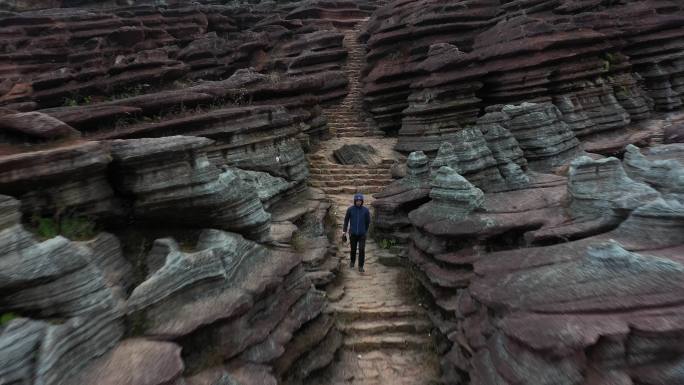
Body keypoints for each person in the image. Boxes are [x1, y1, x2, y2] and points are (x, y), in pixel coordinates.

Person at [343, 193, 371, 272]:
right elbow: (346, 220)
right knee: (353, 249)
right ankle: (352, 261)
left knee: (362, 249)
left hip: (362, 234)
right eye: (357, 201)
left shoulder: (365, 210)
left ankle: (360, 266)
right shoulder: (350, 209)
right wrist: (344, 231)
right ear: (355, 201)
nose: (358, 202)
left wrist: (365, 231)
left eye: (360, 201)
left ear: (362, 201)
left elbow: (368, 221)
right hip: (353, 234)